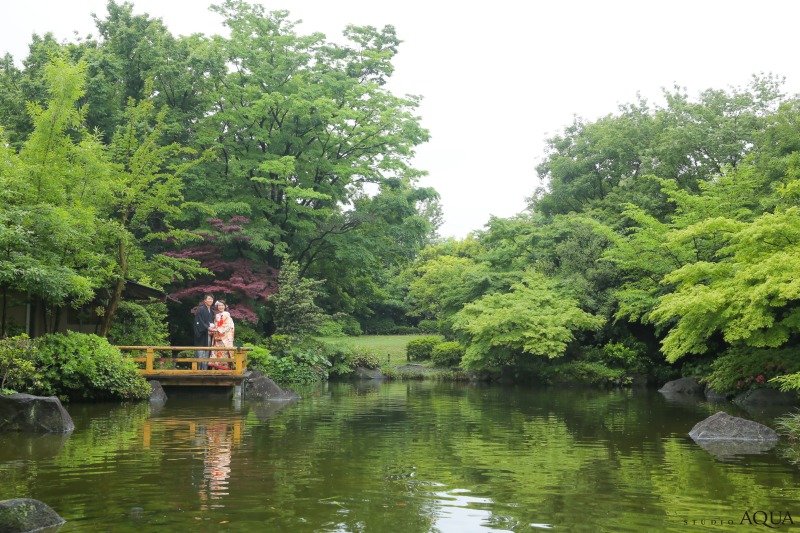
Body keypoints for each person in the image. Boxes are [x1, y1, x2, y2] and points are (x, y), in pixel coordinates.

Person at [209, 300, 234, 370]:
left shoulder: (227, 314)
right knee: (217, 352)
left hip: (224, 337)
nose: (220, 307)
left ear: (225, 306)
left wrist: (218, 330)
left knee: (224, 352)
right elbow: (215, 325)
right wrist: (213, 329)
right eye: (219, 305)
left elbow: (228, 325)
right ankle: (217, 368)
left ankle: (224, 368)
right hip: (217, 337)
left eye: (222, 305)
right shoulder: (216, 315)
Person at [193, 294, 215, 370]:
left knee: (207, 352)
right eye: (209, 299)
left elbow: (213, 322)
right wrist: (207, 328)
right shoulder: (201, 309)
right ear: (205, 300)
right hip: (202, 334)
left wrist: (213, 328)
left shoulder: (212, 312)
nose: (210, 300)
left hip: (209, 334)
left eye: (212, 299)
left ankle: (205, 370)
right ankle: (199, 371)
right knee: (201, 352)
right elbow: (199, 321)